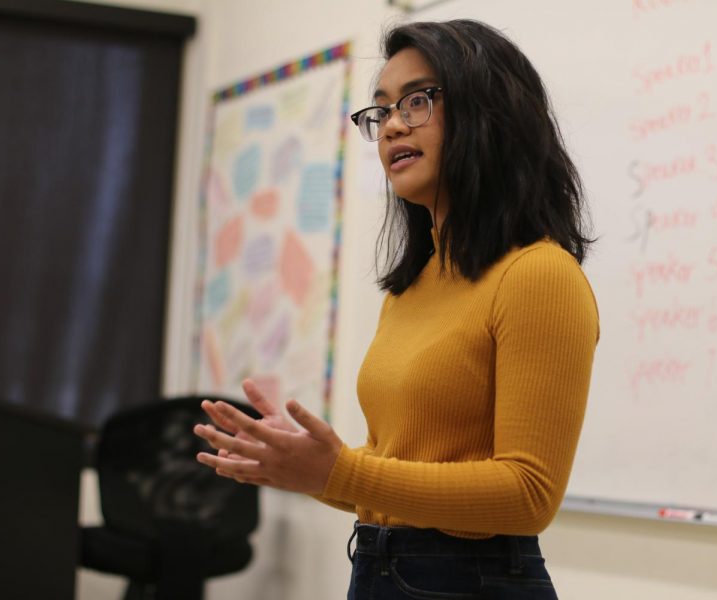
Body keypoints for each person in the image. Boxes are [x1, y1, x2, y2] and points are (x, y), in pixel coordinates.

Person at [194, 19, 599, 599]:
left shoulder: (539, 275)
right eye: (380, 111)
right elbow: (393, 479)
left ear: (491, 110)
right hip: (381, 567)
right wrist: (305, 465)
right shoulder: (414, 284)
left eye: (417, 100)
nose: (390, 126)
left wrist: (343, 471)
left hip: (472, 580)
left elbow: (529, 494)